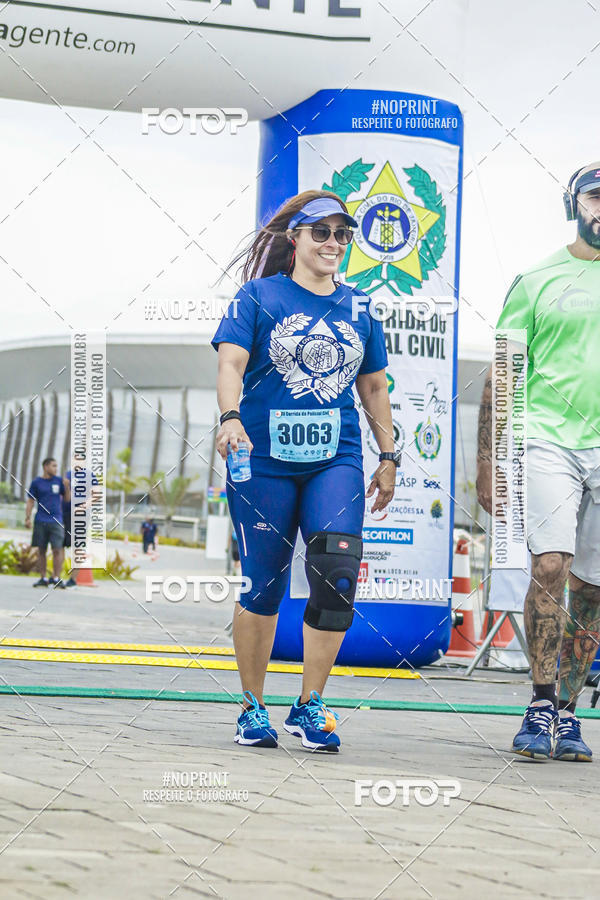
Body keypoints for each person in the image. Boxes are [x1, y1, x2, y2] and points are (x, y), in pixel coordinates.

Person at [212, 191, 399, 752]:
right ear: (294, 239)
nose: (334, 244)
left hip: (334, 456)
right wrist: (229, 417)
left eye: (344, 235)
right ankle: (252, 706)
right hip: (263, 458)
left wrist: (388, 456)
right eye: (321, 233)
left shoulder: (361, 307)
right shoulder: (259, 295)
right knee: (263, 580)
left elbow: (373, 386)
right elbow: (231, 362)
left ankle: (311, 703)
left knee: (337, 569)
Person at [476, 162, 600, 762]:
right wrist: (488, 461)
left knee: (594, 587)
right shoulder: (538, 278)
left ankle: (571, 716)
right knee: (550, 565)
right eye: (596, 196)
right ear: (574, 204)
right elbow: (502, 372)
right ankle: (539, 703)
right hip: (547, 440)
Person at [25, 457, 71, 588]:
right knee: (41, 550)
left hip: (57, 521)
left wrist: (67, 487)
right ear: (45, 467)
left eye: (57, 466)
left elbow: (67, 499)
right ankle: (43, 578)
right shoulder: (36, 482)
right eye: (53, 466)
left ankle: (55, 578)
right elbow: (30, 501)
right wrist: (27, 517)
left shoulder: (60, 481)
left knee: (57, 549)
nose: (56, 469)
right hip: (40, 520)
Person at [62, 454, 101, 587]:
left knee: (77, 547)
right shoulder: (67, 474)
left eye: (80, 458)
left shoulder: (89, 475)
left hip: (80, 517)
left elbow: (96, 494)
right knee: (60, 544)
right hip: (65, 513)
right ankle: (56, 578)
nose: (77, 461)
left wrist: (83, 507)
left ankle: (73, 580)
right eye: (75, 458)